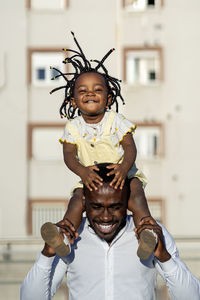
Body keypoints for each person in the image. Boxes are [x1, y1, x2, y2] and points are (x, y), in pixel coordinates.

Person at [41, 32, 156, 260]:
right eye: (83, 91)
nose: (90, 93)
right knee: (77, 199)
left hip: (122, 175)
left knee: (137, 195)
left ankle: (147, 233)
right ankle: (64, 235)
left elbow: (130, 148)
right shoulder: (72, 127)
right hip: (91, 177)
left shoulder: (116, 120)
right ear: (73, 100)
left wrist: (124, 169)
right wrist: (82, 172)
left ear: (109, 98)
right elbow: (69, 155)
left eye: (98, 89)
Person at [21, 163, 200, 300]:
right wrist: (47, 255)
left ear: (128, 203)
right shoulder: (68, 238)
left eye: (115, 207)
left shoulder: (152, 234)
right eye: (97, 206)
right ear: (84, 203)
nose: (106, 217)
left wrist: (164, 257)